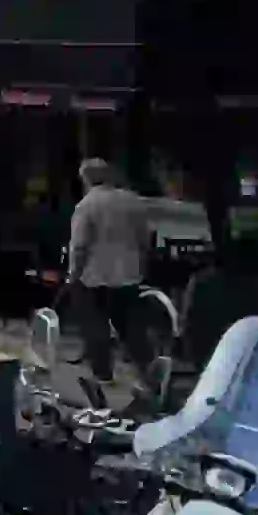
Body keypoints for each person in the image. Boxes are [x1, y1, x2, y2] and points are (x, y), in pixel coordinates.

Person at [63, 158, 162, 401]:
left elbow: (79, 246)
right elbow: (145, 239)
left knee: (95, 325)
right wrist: (142, 264)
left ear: (86, 179)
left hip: (94, 277)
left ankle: (103, 374)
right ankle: (150, 374)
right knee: (133, 328)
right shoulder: (132, 201)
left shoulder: (86, 206)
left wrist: (72, 275)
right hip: (129, 274)